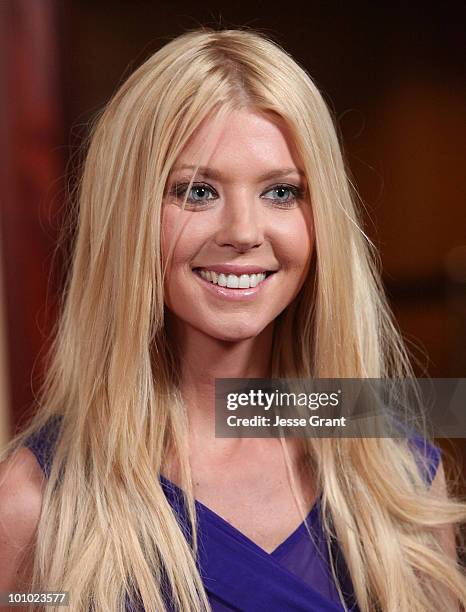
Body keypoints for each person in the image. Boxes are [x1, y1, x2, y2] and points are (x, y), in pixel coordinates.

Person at [0, 27, 465, 612]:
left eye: (281, 192)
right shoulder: (35, 503)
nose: (243, 232)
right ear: (127, 217)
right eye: (195, 191)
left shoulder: (399, 480)